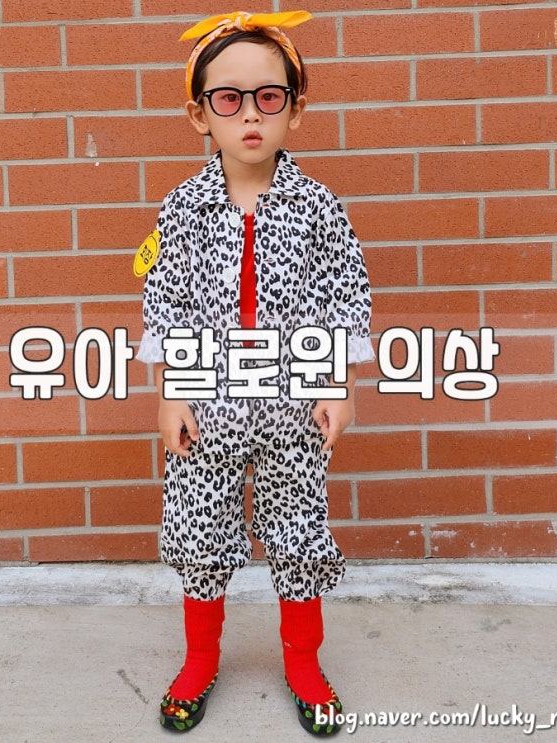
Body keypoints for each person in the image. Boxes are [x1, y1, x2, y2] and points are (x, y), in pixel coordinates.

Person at [135, 10, 375, 735]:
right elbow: (167, 302)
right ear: (198, 114)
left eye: (268, 97)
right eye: (228, 98)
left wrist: (337, 385)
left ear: (294, 109)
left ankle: (303, 663)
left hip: (291, 410)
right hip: (207, 411)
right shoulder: (182, 209)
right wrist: (171, 393)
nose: (249, 114)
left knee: (298, 535)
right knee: (200, 532)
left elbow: (343, 296)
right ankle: (199, 660)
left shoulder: (318, 208)